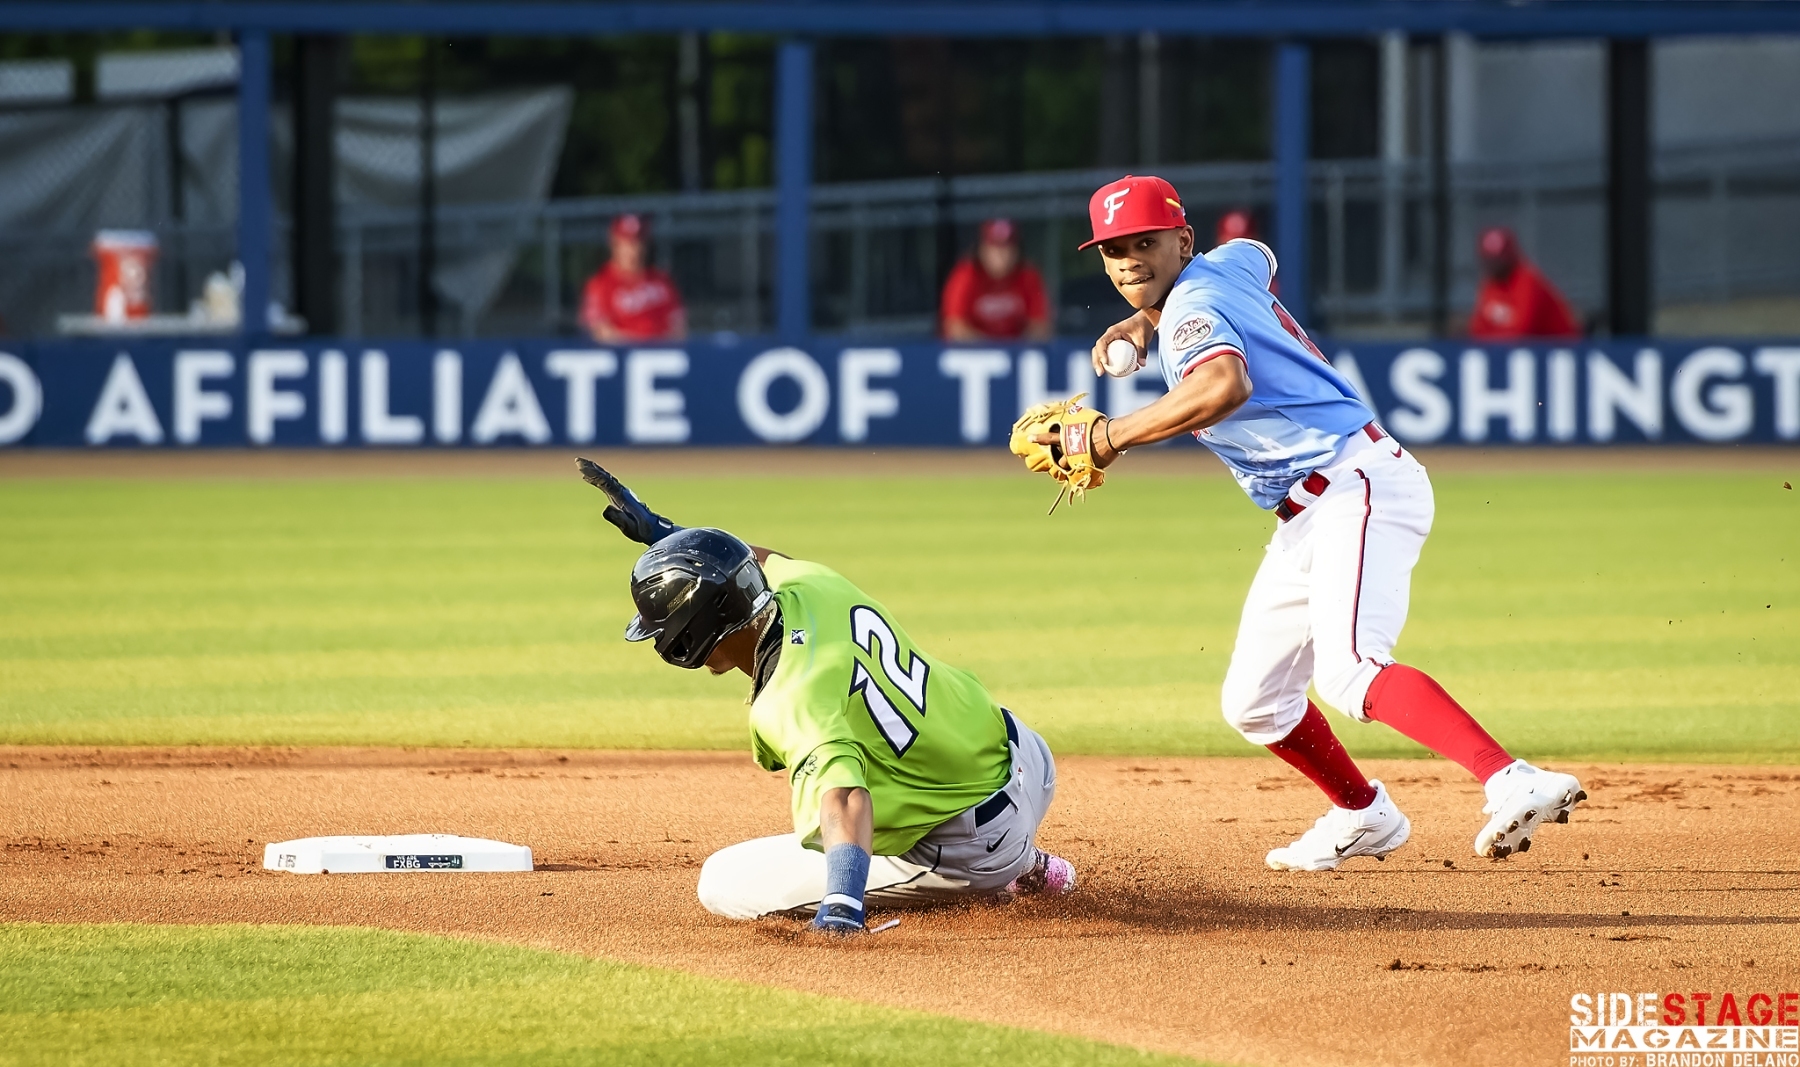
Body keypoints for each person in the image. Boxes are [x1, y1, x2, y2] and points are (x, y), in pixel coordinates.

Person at [1024, 174, 1586, 871]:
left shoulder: (1193, 307)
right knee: (1255, 703)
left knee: (1350, 672)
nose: (1130, 260)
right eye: (1114, 250)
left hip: (1355, 484)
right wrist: (1147, 319)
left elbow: (1224, 385)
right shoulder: (1220, 268)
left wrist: (1110, 436)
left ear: (1182, 240)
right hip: (1310, 510)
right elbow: (1257, 253)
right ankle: (1364, 812)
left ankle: (1511, 777)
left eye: (1146, 242)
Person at [576, 458, 1075, 934]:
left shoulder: (789, 698)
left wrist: (841, 905)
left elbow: (844, 796)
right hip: (1029, 759)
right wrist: (668, 536)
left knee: (722, 881)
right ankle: (1030, 864)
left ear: (692, 639)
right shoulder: (808, 583)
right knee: (886, 750)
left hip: (973, 845)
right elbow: (755, 562)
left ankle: (1005, 869)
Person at [940, 218, 1053, 342]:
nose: (1002, 255)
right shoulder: (965, 275)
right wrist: (996, 349)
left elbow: (1040, 327)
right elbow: (955, 328)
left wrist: (1013, 349)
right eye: (995, 247)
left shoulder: (1028, 275)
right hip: (974, 356)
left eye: (1007, 247)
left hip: (1017, 352)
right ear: (982, 249)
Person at [580, 214, 687, 342]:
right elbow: (602, 333)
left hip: (663, 356)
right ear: (615, 243)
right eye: (627, 243)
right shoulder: (600, 284)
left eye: (638, 242)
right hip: (623, 357)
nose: (634, 250)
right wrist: (643, 347)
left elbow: (679, 329)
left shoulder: (662, 281)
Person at [1468, 226, 1580, 340]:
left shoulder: (1527, 281)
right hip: (1524, 351)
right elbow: (1478, 331)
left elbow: (1522, 331)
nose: (1494, 265)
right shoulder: (1489, 285)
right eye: (1490, 259)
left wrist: (1493, 337)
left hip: (1561, 349)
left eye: (1499, 259)